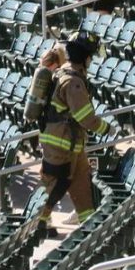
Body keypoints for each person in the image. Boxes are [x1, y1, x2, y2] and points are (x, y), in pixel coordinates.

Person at [37, 32, 109, 236]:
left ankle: (89, 228)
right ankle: (40, 223)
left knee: (80, 184)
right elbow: (86, 117)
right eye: (91, 57)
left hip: (72, 144)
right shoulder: (73, 82)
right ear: (85, 58)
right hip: (61, 145)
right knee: (55, 185)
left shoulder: (66, 74)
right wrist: (108, 129)